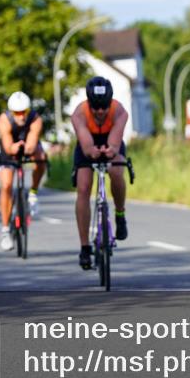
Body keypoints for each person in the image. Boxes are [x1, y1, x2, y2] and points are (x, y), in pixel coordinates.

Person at [71, 76, 129, 270]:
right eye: (95, 107)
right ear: (89, 103)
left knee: (116, 172)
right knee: (84, 187)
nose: (100, 111)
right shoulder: (79, 114)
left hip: (111, 140)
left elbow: (115, 140)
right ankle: (85, 247)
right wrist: (91, 151)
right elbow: (86, 144)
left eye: (104, 106)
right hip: (87, 143)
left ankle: (120, 215)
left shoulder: (119, 110)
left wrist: (111, 150)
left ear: (110, 102)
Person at [0, 92, 47, 251]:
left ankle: (33, 193)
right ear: (11, 112)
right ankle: (5, 231)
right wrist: (14, 148)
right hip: (9, 149)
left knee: (41, 158)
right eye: (17, 112)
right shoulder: (4, 119)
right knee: (6, 185)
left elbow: (32, 142)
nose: (21, 116)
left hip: (28, 146)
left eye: (24, 111)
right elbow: (7, 144)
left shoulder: (35, 118)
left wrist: (27, 148)